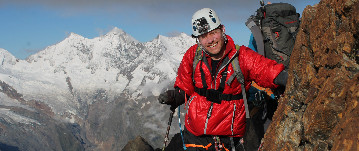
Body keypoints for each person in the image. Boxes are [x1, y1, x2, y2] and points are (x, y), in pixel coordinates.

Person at [158, 8, 287, 151]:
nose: (210, 40)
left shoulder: (241, 56)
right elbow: (185, 85)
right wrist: (176, 96)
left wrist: (282, 78)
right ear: (198, 39)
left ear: (222, 29)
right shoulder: (193, 56)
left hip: (227, 138)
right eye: (203, 36)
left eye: (213, 33)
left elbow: (263, 69)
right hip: (194, 135)